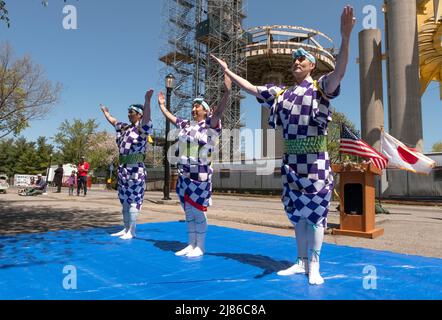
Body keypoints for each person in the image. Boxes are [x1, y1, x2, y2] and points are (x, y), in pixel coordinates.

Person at [211, 6, 355, 284]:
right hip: (291, 164)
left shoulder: (320, 87)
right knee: (298, 216)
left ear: (312, 65)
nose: (296, 62)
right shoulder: (281, 93)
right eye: (295, 60)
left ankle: (314, 263)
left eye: (302, 59)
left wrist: (346, 38)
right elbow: (253, 88)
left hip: (315, 162)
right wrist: (229, 71)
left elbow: (340, 72)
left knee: (315, 215)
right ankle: (300, 262)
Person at [158, 74, 231, 258]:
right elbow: (171, 118)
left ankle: (201, 246)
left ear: (206, 111)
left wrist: (227, 92)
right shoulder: (185, 125)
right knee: (188, 211)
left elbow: (220, 111)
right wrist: (161, 106)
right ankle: (190, 244)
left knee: (198, 210)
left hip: (200, 174)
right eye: (193, 106)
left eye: (197, 106)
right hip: (184, 174)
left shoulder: (210, 124)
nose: (193, 108)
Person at [100, 89, 153, 240]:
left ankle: (132, 230)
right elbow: (113, 121)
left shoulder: (142, 128)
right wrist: (105, 112)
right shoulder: (124, 127)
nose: (129, 114)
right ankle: (125, 228)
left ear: (139, 115)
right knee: (124, 200)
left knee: (135, 200)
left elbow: (147, 116)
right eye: (128, 112)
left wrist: (147, 102)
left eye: (132, 112)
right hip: (123, 169)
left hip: (135, 168)